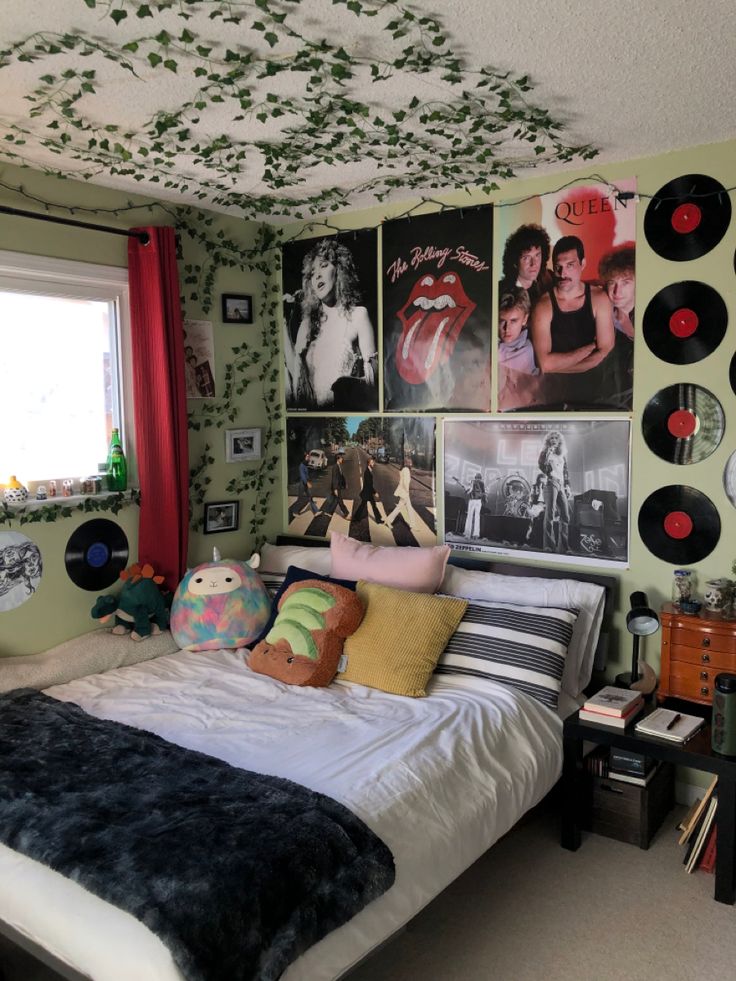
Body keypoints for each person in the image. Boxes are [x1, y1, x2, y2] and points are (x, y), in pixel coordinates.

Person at [284, 239, 377, 411]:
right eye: (312, 273)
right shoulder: (306, 325)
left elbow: (373, 384)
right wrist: (283, 323)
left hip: (348, 416)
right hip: (312, 423)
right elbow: (295, 381)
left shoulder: (358, 316)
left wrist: (347, 385)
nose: (317, 275)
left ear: (339, 270)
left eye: (324, 265)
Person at [531, 235, 615, 409]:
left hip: (596, 394)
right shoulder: (543, 306)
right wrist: (591, 347)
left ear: (582, 264)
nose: (563, 274)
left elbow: (605, 351)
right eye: (558, 267)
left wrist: (558, 366)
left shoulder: (599, 299)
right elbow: (545, 364)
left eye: (570, 265)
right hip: (552, 396)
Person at [598, 245, 635, 410]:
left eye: (625, 282)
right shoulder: (602, 318)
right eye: (612, 283)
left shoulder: (652, 316)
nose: (617, 291)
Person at [499, 223, 553, 309]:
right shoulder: (500, 292)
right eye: (526, 257)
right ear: (515, 262)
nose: (533, 263)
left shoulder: (547, 282)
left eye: (537, 255)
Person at [537, 431, 572, 553]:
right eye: (551, 438)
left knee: (565, 516)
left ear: (559, 440)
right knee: (550, 514)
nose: (553, 439)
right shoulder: (545, 453)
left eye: (556, 438)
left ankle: (563, 547)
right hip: (550, 482)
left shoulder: (562, 455)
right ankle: (549, 546)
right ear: (548, 440)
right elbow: (542, 467)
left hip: (561, 484)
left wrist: (567, 486)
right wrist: (547, 453)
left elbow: (565, 472)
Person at [385, 458, 421, 531]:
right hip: (405, 492)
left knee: (407, 508)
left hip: (403, 491)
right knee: (400, 508)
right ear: (407, 463)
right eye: (410, 463)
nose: (411, 464)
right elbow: (405, 482)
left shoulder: (402, 469)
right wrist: (407, 491)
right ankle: (388, 520)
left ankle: (412, 526)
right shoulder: (406, 470)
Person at [351, 456, 384, 524]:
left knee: (371, 505)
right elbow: (369, 485)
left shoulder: (369, 471)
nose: (373, 463)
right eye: (372, 462)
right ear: (369, 463)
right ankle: (356, 517)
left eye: (373, 462)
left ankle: (378, 519)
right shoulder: (367, 472)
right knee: (364, 505)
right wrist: (375, 492)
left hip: (368, 492)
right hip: (367, 492)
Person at [290, 451, 319, 519]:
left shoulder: (305, 464)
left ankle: (316, 511)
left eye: (308, 456)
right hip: (302, 484)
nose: (308, 457)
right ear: (304, 458)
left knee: (310, 497)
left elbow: (307, 473)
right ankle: (295, 511)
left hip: (305, 483)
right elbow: (303, 476)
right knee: (300, 498)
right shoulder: (301, 465)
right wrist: (307, 482)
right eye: (307, 457)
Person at [321, 451, 349, 518]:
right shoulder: (335, 467)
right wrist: (335, 489)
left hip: (338, 486)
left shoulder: (338, 466)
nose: (342, 459)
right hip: (336, 487)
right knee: (340, 500)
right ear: (338, 459)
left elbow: (341, 476)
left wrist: (345, 484)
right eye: (341, 458)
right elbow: (334, 478)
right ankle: (346, 513)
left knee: (335, 500)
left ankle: (329, 512)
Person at [463, 472, 485, 539]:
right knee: (477, 517)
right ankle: (476, 534)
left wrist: (466, 490)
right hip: (478, 501)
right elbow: (483, 493)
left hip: (472, 501)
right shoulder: (482, 483)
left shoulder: (473, 481)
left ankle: (467, 533)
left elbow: (470, 491)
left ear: (475, 477)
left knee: (469, 516)